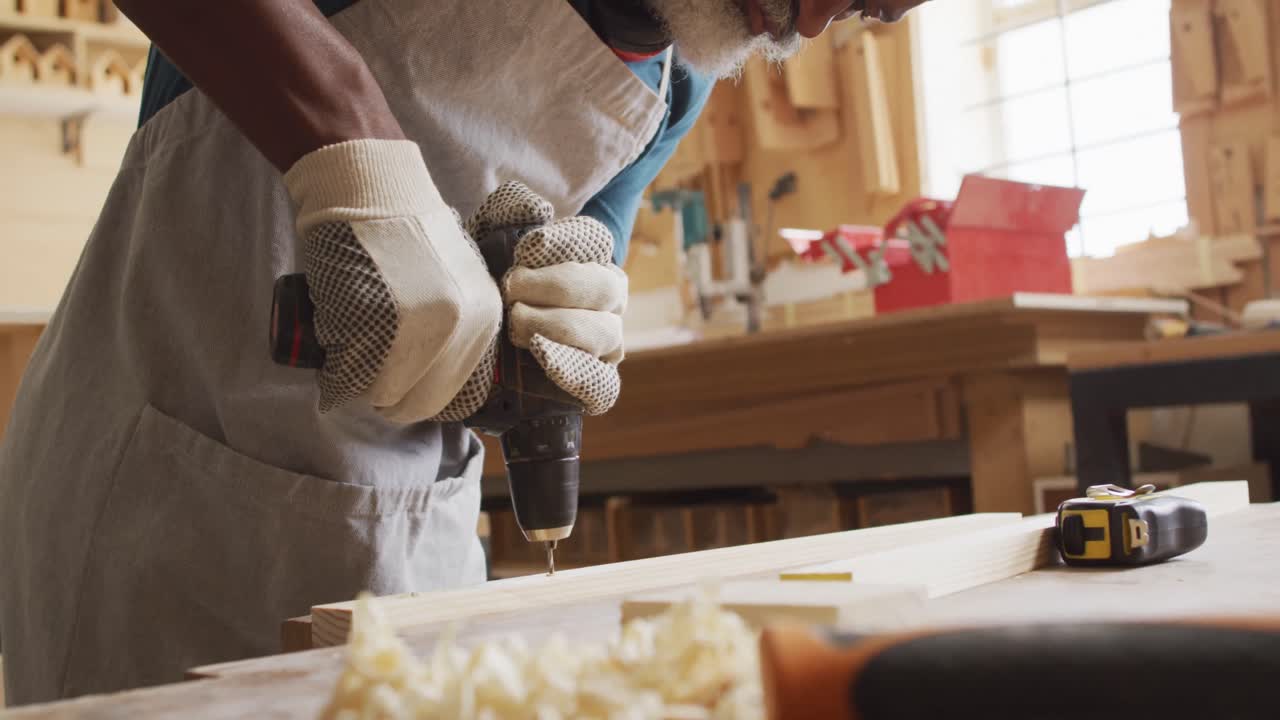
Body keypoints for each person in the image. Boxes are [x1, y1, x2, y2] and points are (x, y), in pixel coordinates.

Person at [0, 0, 928, 707]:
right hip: (163, 513)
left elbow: (553, 258)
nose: (829, 18)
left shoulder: (678, 71)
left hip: (411, 533)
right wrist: (356, 154)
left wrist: (550, 324)